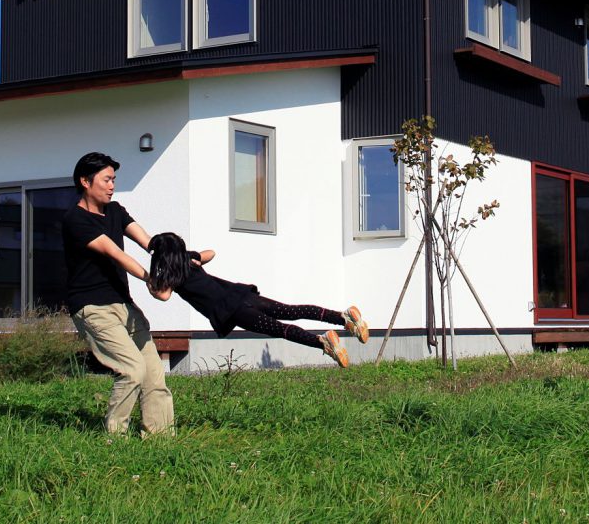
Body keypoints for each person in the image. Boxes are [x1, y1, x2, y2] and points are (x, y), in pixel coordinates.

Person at [60, 152, 174, 435]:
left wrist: (177, 257)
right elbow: (115, 253)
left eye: (114, 180)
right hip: (92, 307)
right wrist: (151, 280)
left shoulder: (115, 211)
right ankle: (115, 439)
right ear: (85, 181)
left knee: (153, 373)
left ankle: (160, 439)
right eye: (106, 180)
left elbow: (149, 243)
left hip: (123, 304)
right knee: (132, 369)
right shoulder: (75, 219)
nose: (112, 186)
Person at [143, 231, 367, 367]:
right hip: (240, 294)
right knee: (291, 310)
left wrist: (148, 280)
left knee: (280, 329)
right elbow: (211, 253)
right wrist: (198, 260)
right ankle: (343, 317)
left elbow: (163, 296)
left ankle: (322, 342)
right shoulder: (188, 261)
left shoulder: (173, 278)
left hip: (232, 310)